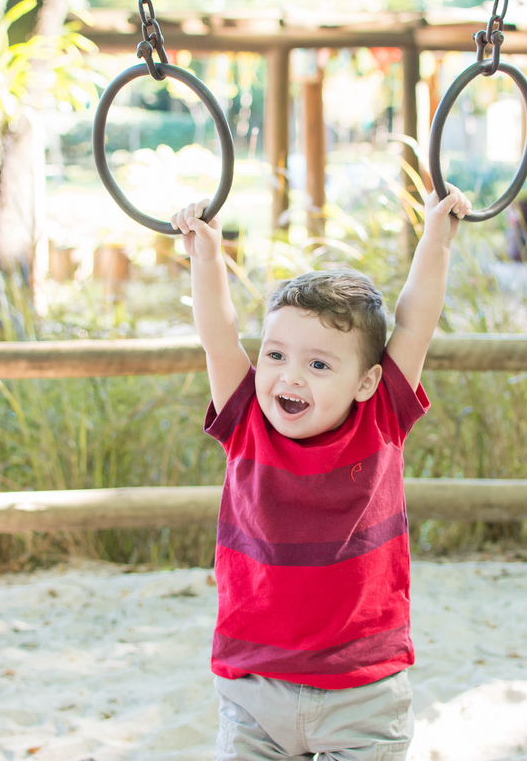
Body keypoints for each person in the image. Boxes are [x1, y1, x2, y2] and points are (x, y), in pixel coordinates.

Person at [170, 184, 471, 760]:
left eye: (318, 364)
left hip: (362, 693)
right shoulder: (245, 420)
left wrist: (436, 240)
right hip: (256, 687)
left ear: (365, 381)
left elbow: (414, 325)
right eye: (277, 355)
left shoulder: (380, 419)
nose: (289, 377)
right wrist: (206, 259)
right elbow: (218, 338)